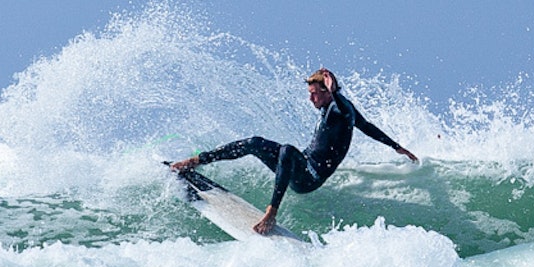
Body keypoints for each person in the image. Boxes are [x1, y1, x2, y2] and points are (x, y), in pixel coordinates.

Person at [171, 68, 418, 235]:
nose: (311, 100)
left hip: (311, 176)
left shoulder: (342, 110)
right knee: (255, 142)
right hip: (303, 163)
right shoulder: (332, 109)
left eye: (314, 94)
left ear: (326, 92)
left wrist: (335, 93)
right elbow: (367, 127)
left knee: (287, 150)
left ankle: (271, 214)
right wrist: (396, 147)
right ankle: (196, 160)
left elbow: (356, 120)